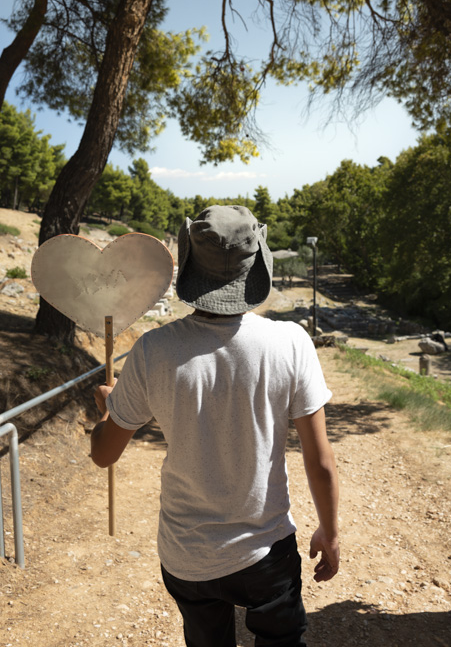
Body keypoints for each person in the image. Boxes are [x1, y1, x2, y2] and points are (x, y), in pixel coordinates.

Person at [91, 204, 339, 647]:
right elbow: (320, 462)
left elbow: (103, 454)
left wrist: (110, 411)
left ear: (190, 266)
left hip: (187, 557)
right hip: (266, 551)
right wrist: (330, 532)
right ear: (256, 264)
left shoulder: (152, 350)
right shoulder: (291, 343)